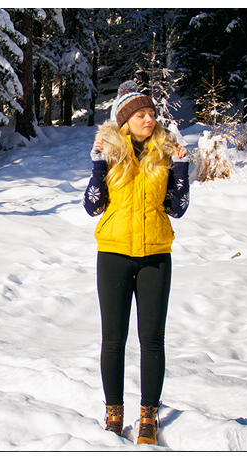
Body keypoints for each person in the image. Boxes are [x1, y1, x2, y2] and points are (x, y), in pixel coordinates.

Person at [82, 81, 190, 445]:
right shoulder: (109, 152)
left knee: (153, 340)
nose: (149, 118)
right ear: (125, 121)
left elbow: (176, 208)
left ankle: (148, 418)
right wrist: (98, 167)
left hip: (156, 255)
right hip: (113, 253)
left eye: (151, 113)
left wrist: (182, 169)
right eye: (141, 114)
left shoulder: (165, 152)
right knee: (113, 340)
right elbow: (93, 206)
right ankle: (114, 414)